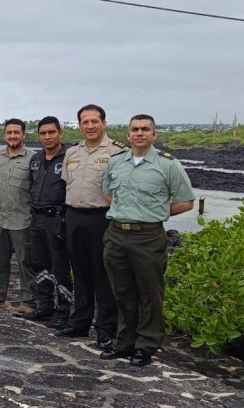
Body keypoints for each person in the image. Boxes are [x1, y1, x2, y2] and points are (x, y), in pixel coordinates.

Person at [99, 114, 194, 366]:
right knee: (122, 291)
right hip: (116, 233)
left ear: (154, 134)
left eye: (145, 129)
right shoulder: (116, 162)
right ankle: (124, 342)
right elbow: (107, 193)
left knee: (150, 293)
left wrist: (154, 213)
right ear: (128, 135)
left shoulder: (168, 165)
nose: (139, 133)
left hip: (148, 236)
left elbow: (186, 202)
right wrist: (126, 211)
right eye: (135, 129)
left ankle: (146, 345)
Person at [56, 104, 127, 351]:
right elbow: (67, 183)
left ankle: (106, 328)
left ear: (104, 123)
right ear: (79, 125)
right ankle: (79, 322)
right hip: (74, 216)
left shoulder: (118, 152)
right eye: (85, 122)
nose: (90, 126)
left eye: (94, 121)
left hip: (102, 218)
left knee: (102, 274)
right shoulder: (72, 152)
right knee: (80, 271)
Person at [0, 119, 35, 315]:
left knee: (25, 262)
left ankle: (29, 300)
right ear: (4, 135)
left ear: (23, 135)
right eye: (9, 133)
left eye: (16, 132)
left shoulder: (32, 158)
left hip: (22, 218)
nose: (12, 136)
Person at [23, 117, 74, 327]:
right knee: (40, 264)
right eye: (43, 133)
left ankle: (64, 312)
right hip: (37, 217)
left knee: (60, 266)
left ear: (60, 132)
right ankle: (44, 306)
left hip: (58, 219)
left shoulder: (69, 157)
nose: (47, 137)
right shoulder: (36, 159)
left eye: (51, 132)